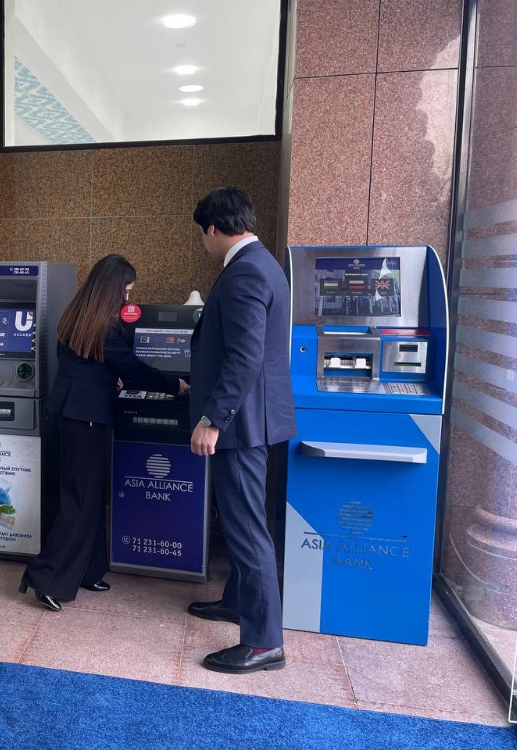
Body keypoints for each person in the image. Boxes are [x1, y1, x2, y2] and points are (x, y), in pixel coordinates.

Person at [19, 254, 189, 611]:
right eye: (126, 290)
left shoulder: (76, 316)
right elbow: (136, 369)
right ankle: (44, 578)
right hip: (87, 420)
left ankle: (88, 570)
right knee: (80, 501)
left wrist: (109, 378)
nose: (128, 297)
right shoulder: (105, 327)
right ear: (112, 289)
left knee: (90, 498)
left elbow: (88, 365)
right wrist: (176, 385)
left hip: (70, 414)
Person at [186, 187, 296, 674]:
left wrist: (213, 419)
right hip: (253, 421)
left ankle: (264, 642)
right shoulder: (264, 263)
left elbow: (245, 356)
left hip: (240, 425)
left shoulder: (245, 271)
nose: (204, 243)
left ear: (213, 229)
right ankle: (237, 601)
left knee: (248, 529)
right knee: (242, 521)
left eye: (202, 235)